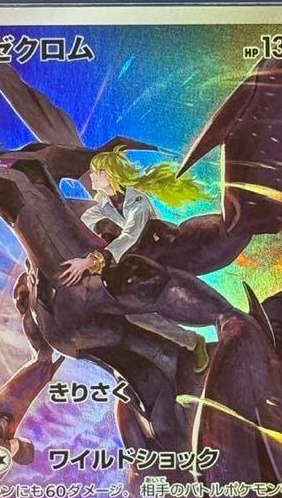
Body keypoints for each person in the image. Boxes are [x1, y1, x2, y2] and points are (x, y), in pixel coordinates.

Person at [58, 146, 214, 370]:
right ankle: (189, 341)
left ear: (109, 175)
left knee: (151, 303)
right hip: (136, 258)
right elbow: (83, 219)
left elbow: (129, 236)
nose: (91, 177)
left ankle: (193, 340)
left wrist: (92, 260)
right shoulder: (105, 202)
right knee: (134, 314)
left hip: (159, 253)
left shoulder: (138, 202)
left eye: (96, 172)